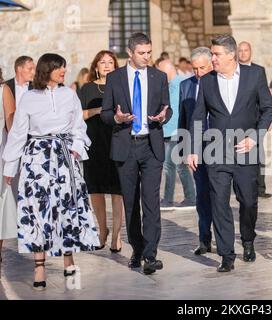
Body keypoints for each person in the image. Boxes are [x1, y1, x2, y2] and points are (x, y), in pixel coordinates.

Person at [2, 53, 100, 290]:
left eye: (65, 68)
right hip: (37, 161)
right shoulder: (28, 98)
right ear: (48, 70)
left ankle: (69, 261)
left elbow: (79, 127)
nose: (64, 71)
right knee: (38, 211)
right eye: (60, 68)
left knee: (67, 209)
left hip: (65, 159)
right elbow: (17, 133)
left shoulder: (69, 95)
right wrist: (9, 166)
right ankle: (39, 266)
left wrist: (76, 150)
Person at [187, 34, 272, 272]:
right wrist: (193, 149)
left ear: (231, 55)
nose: (211, 58)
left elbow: (268, 110)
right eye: (212, 54)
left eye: (216, 54)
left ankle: (248, 239)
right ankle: (227, 254)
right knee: (219, 203)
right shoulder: (206, 81)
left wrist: (255, 138)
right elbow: (198, 117)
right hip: (216, 153)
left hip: (247, 151)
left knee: (248, 200)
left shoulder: (255, 75)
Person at [101, 33, 171, 275]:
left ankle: (151, 255)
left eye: (149, 52)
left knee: (151, 202)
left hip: (151, 146)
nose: (147, 57)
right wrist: (117, 118)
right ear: (130, 53)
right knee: (130, 202)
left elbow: (167, 107)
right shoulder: (115, 78)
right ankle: (137, 250)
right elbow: (105, 113)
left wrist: (164, 116)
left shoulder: (159, 76)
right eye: (142, 53)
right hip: (126, 146)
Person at [79, 50, 124, 252]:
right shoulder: (87, 89)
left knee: (117, 189)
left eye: (110, 62)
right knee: (95, 189)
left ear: (115, 66)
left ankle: (116, 234)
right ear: (96, 66)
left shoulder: (122, 87)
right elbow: (78, 115)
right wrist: (99, 111)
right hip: (95, 143)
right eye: (102, 62)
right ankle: (102, 229)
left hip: (116, 141)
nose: (106, 65)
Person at [178, 47, 214, 255]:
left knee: (218, 195)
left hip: (219, 146)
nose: (199, 73)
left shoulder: (220, 82)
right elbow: (184, 119)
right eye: (195, 68)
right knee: (202, 196)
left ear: (211, 64)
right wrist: (185, 149)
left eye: (203, 68)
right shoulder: (186, 86)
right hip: (196, 149)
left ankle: (224, 239)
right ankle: (204, 240)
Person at [157, 59, 196, 210]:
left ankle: (168, 199)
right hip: (168, 131)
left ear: (167, 70)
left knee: (170, 166)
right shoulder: (169, 86)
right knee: (178, 166)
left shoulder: (181, 83)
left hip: (176, 131)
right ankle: (191, 197)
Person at [238, 41, 272, 199]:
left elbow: (263, 97)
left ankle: (260, 188)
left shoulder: (259, 71)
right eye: (241, 50)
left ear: (250, 52)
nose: (243, 53)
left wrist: (267, 118)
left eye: (246, 50)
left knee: (259, 155)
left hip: (256, 120)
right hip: (239, 121)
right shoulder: (234, 71)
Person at [0, 67, 17, 264]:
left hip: (0, 151)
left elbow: (11, 122)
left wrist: (14, 154)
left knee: (1, 199)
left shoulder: (3, 89)